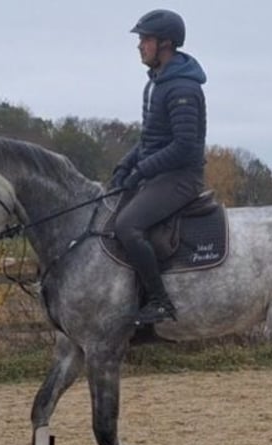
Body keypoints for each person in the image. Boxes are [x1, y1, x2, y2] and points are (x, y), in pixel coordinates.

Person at [110, 9, 207, 325]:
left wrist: (143, 171)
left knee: (127, 227)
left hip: (181, 177)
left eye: (145, 39)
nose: (140, 46)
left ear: (165, 43)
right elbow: (150, 138)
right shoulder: (155, 83)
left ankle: (160, 302)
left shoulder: (182, 88)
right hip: (159, 174)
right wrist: (126, 165)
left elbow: (184, 146)